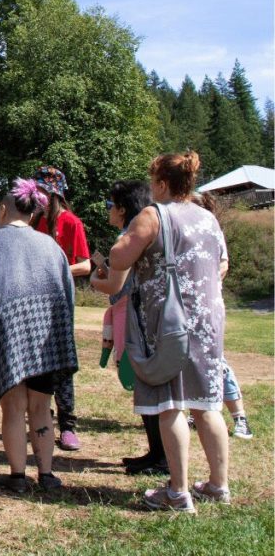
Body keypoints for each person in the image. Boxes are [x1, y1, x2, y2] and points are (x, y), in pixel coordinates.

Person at [103, 151, 230, 513]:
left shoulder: (153, 215)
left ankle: (177, 492)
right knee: (207, 404)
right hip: (208, 320)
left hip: (168, 322)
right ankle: (218, 485)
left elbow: (119, 258)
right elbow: (222, 264)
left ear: (160, 183)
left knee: (170, 403)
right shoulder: (207, 217)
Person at [0, 179, 78, 492]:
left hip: (6, 334)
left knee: (13, 408)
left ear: (2, 211)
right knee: (41, 407)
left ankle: (18, 476)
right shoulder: (50, 246)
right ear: (33, 214)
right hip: (46, 337)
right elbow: (67, 291)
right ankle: (46, 474)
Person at [90, 180, 165, 475]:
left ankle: (160, 458)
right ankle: (156, 453)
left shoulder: (127, 238)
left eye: (110, 205)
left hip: (133, 317)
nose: (108, 210)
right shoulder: (147, 233)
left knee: (144, 383)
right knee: (145, 384)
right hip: (142, 315)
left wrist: (95, 280)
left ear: (122, 209)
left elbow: (114, 285)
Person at [185, 192, 254, 441]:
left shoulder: (212, 231)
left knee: (217, 364)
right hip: (187, 308)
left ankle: (240, 417)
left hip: (206, 308)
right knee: (191, 362)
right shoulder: (186, 232)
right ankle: (197, 410)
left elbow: (223, 265)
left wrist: (203, 283)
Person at [31, 165, 90, 452]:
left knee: (63, 363)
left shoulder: (71, 223)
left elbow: (85, 265)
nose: (36, 196)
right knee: (36, 361)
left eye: (40, 191)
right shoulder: (34, 222)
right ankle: (43, 417)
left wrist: (55, 268)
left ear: (53, 194)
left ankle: (68, 425)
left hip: (60, 301)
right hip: (34, 300)